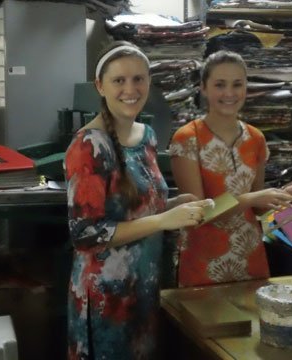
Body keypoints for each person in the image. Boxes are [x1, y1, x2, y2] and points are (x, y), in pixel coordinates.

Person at [64, 41, 212, 359]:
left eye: (138, 79)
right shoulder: (88, 146)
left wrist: (175, 205)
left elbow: (141, 210)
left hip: (143, 287)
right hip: (107, 297)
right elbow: (86, 235)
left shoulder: (147, 136)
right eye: (119, 80)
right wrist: (163, 220)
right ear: (100, 86)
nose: (130, 89)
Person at [169, 50, 292, 288]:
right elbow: (199, 213)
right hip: (205, 259)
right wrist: (253, 197)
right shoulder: (187, 139)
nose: (229, 93)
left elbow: (256, 208)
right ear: (203, 88)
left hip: (249, 255)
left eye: (237, 84)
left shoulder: (256, 139)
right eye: (220, 85)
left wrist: (284, 194)